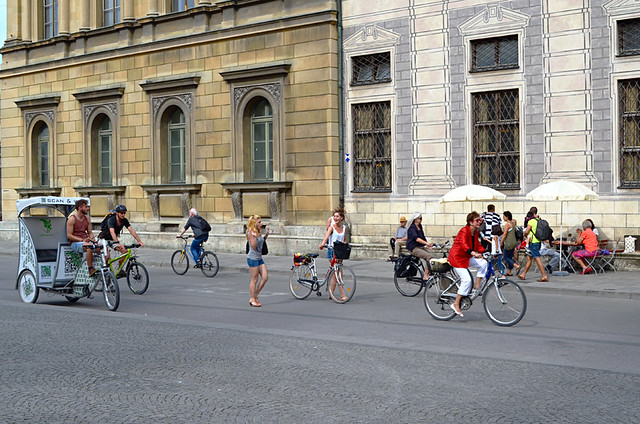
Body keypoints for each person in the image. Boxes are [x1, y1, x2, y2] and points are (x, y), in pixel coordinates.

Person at [449, 211, 488, 317]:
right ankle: (456, 303)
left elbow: (478, 245)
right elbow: (464, 245)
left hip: (467, 257)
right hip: (457, 258)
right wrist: (474, 253)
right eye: (477, 220)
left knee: (484, 263)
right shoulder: (464, 231)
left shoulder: (475, 232)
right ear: (470, 222)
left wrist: (487, 251)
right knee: (466, 280)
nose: (479, 222)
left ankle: (477, 287)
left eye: (480, 220)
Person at [99, 204, 145, 277]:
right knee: (107, 256)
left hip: (112, 240)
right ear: (117, 213)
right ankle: (105, 272)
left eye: (124, 213)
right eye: (121, 213)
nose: (123, 214)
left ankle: (120, 270)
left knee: (124, 251)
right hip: (104, 239)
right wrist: (117, 243)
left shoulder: (124, 220)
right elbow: (112, 232)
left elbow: (131, 230)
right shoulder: (111, 220)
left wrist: (139, 241)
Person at [319, 208, 348, 301]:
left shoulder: (344, 228)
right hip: (332, 251)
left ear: (341, 218)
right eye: (334, 216)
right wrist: (322, 244)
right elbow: (326, 237)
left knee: (336, 273)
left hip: (340, 252)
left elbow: (344, 240)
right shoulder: (332, 227)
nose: (335, 218)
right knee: (338, 272)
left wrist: (345, 247)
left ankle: (331, 293)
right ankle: (343, 295)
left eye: (337, 216)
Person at [66, 199, 98, 276]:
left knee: (102, 247)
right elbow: (69, 235)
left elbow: (90, 233)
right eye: (86, 206)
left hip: (85, 241)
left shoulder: (87, 218)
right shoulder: (72, 219)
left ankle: (105, 269)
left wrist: (93, 239)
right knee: (89, 247)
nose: (88, 208)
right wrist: (82, 240)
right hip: (74, 243)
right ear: (80, 208)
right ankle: (90, 269)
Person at [518, 207, 549, 282]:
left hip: (533, 242)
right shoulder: (538, 220)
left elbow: (527, 230)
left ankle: (544, 276)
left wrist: (524, 235)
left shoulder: (531, 221)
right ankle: (523, 274)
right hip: (538, 241)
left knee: (537, 258)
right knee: (529, 258)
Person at [247, 215, 269, 307]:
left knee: (265, 277)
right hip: (253, 259)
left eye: (261, 222)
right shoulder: (251, 233)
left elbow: (261, 241)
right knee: (254, 279)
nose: (261, 224)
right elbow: (254, 246)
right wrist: (255, 237)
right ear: (254, 223)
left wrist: (266, 235)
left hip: (259, 258)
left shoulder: (258, 232)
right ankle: (252, 299)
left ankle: (255, 295)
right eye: (259, 222)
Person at [405, 212, 433, 281]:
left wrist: (427, 245)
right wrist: (426, 243)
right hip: (413, 248)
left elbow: (422, 237)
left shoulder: (420, 226)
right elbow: (416, 239)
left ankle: (429, 271)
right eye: (420, 218)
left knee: (431, 257)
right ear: (415, 219)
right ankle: (425, 275)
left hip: (420, 246)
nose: (421, 219)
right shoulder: (412, 228)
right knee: (428, 257)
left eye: (421, 218)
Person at [500, 211, 520, 276]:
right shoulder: (513, 224)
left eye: (504, 216)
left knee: (506, 257)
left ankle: (516, 266)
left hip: (508, 243)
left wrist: (501, 242)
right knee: (510, 257)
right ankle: (509, 271)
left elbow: (505, 234)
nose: (503, 217)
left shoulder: (507, 224)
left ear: (507, 217)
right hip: (514, 242)